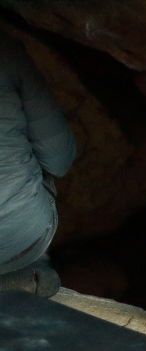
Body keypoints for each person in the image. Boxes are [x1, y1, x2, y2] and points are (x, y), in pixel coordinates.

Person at [0, 34, 75, 297]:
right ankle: (30, 274)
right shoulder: (6, 49)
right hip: (22, 236)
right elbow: (59, 160)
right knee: (41, 169)